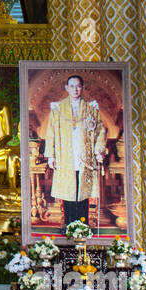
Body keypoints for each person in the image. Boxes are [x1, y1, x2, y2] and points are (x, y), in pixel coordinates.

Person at [44, 74, 107, 227]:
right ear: (67, 88)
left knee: (83, 193)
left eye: (78, 86)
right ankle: (70, 226)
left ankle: (82, 227)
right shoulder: (58, 109)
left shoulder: (91, 109)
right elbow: (50, 132)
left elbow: (100, 130)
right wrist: (51, 156)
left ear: (82, 88)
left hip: (84, 157)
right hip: (65, 156)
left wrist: (99, 150)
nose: (75, 89)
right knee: (68, 193)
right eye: (72, 86)